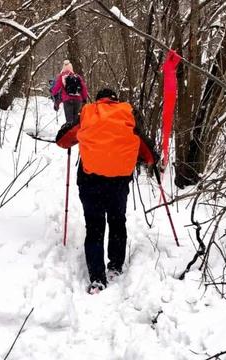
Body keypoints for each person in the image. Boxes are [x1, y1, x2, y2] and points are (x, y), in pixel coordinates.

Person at [55, 88, 159, 294]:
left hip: (90, 180)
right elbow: (146, 150)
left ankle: (97, 277)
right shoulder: (127, 113)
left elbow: (62, 139)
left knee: (94, 226)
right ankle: (115, 267)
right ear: (115, 100)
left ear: (98, 99)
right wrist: (148, 159)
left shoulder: (87, 112)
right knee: (117, 221)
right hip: (118, 183)